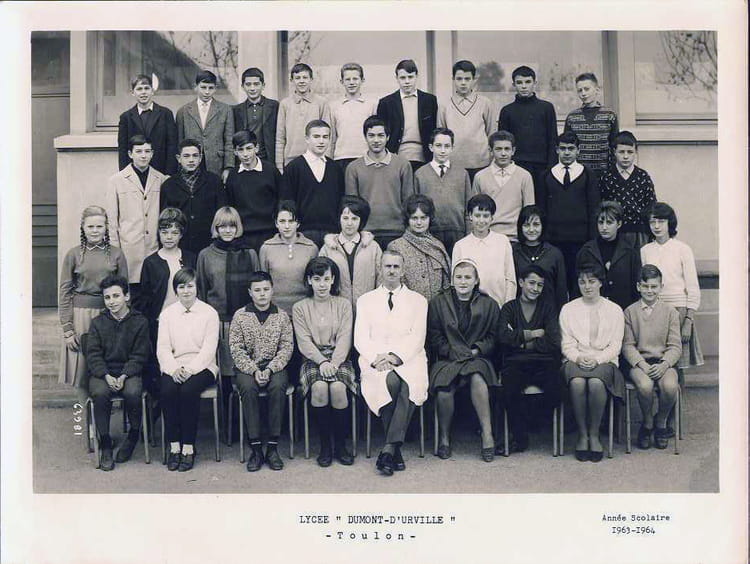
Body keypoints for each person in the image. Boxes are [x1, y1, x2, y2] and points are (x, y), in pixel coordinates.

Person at [354, 250, 429, 476]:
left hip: (409, 358)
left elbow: (418, 337)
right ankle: (394, 450)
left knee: (407, 383)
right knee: (390, 382)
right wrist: (377, 358)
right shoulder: (365, 300)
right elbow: (360, 338)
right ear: (380, 269)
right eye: (388, 266)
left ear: (403, 270)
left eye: (396, 267)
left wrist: (395, 357)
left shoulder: (418, 301)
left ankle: (389, 448)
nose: (392, 271)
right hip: (375, 360)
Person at [427, 259, 499, 461]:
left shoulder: (489, 304)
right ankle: (444, 437)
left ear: (476, 281)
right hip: (448, 358)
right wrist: (451, 351)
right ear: (452, 280)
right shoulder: (438, 302)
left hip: (476, 357)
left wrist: (477, 350)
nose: (463, 282)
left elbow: (493, 337)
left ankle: (487, 434)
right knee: (444, 388)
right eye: (458, 277)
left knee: (478, 378)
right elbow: (434, 336)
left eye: (468, 277)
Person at [196, 206, 259, 418]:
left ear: (238, 227)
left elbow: (257, 287)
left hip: (246, 321)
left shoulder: (250, 254)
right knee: (224, 374)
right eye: (222, 226)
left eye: (232, 225)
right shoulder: (205, 255)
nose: (227, 230)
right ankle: (226, 421)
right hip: (219, 322)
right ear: (216, 228)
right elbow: (201, 290)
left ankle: (246, 420)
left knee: (246, 370)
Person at [59, 206, 128, 397]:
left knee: (107, 365)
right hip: (81, 316)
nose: (95, 231)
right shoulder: (73, 255)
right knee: (82, 371)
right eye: (90, 226)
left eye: (99, 226)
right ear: (83, 228)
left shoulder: (116, 254)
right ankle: (83, 416)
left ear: (106, 228)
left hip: (109, 314)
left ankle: (103, 414)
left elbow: (124, 290)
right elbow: (64, 292)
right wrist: (68, 329)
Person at [293, 257, 356, 467]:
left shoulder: (343, 305)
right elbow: (304, 342)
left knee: (338, 388)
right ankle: (325, 446)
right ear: (309, 281)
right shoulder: (300, 307)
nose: (322, 284)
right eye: (317, 279)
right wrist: (322, 362)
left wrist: (334, 363)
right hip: (313, 359)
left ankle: (340, 445)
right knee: (319, 388)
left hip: (339, 358)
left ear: (333, 280)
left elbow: (345, 338)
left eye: (326, 279)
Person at [559, 262, 624, 462]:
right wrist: (578, 358)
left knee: (596, 382)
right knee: (578, 382)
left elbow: (615, 345)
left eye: (592, 281)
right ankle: (582, 434)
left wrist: (597, 359)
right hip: (575, 359)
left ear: (601, 283)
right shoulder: (568, 309)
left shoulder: (614, 310)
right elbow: (566, 344)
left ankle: (594, 435)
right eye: (582, 282)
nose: (587, 286)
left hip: (605, 361)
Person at [157, 267, 220, 472]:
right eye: (181, 287)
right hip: (174, 366)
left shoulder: (209, 313)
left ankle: (188, 447)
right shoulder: (167, 314)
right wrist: (174, 369)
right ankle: (174, 446)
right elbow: (163, 348)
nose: (186, 291)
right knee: (167, 391)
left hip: (203, 366)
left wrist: (190, 370)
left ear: (197, 288)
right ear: (175, 290)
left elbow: (209, 350)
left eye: (190, 286)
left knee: (187, 391)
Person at [229, 271, 294, 471]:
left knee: (278, 386)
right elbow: (236, 348)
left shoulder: (282, 316)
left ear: (272, 290)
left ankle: (272, 447)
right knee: (248, 389)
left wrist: (272, 368)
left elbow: (286, 347)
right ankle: (256, 447)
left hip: (275, 367)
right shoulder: (240, 316)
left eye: (266, 289)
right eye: (257, 290)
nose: (262, 294)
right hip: (247, 367)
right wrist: (253, 369)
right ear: (250, 292)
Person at [85, 274, 150, 471]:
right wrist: (106, 375)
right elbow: (93, 355)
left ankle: (133, 435)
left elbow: (140, 355)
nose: (111, 301)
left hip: (128, 372)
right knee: (99, 393)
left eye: (116, 296)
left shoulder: (139, 322)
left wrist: (124, 375)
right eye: (107, 297)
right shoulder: (98, 323)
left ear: (127, 296)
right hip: (103, 373)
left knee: (133, 391)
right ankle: (105, 442)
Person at [497, 265, 562, 453]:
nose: (535, 289)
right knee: (509, 389)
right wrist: (532, 334)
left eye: (540, 285)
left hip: (543, 363)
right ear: (521, 282)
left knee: (557, 388)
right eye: (531, 283)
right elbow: (502, 337)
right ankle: (519, 437)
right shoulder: (509, 308)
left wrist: (521, 343)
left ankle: (537, 426)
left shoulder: (547, 308)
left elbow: (553, 341)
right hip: (515, 363)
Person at [137, 208, 197, 397]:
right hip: (160, 323)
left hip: (187, 322)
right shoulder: (151, 262)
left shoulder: (190, 258)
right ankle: (159, 406)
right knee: (161, 368)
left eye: (174, 232)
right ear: (159, 233)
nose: (169, 237)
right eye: (164, 232)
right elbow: (145, 297)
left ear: (181, 234)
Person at [622, 264, 682, 450]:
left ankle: (661, 422)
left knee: (670, 386)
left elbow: (675, 346)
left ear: (661, 287)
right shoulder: (630, 312)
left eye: (654, 286)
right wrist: (642, 364)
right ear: (638, 286)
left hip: (663, 361)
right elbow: (628, 345)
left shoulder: (671, 312)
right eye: (645, 286)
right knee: (645, 385)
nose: (650, 291)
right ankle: (647, 423)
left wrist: (664, 364)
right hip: (640, 363)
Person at [641, 202, 704, 369]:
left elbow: (693, 287)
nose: (656, 226)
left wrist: (688, 321)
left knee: (677, 365)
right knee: (658, 363)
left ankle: (678, 388)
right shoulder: (645, 250)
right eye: (652, 222)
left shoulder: (683, 249)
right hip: (654, 310)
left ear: (670, 222)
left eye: (661, 221)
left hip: (678, 311)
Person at [538, 131, 600, 297]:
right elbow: (542, 210)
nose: (567, 152)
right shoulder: (547, 175)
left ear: (578, 150)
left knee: (577, 283)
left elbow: (594, 209)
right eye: (563, 148)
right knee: (555, 284)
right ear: (557, 150)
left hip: (580, 241)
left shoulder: (587, 175)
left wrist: (592, 241)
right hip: (553, 240)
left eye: (571, 148)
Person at [106, 134, 167, 299]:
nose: (143, 155)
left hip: (154, 248)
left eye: (147, 151)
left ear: (152, 153)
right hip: (129, 250)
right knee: (133, 296)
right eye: (139, 151)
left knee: (154, 295)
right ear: (130, 154)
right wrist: (115, 252)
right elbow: (112, 222)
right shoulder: (116, 181)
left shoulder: (161, 179)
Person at [345, 116, 414, 249]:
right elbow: (352, 206)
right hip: (365, 234)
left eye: (381, 135)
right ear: (365, 137)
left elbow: (408, 201)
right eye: (371, 135)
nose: (376, 140)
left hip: (397, 232)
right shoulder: (353, 168)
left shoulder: (402, 164)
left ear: (388, 137)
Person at [498, 65, 558, 202]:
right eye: (519, 82)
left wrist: (551, 168)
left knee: (541, 203)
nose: (524, 86)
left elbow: (552, 139)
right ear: (514, 84)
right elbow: (503, 143)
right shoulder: (507, 111)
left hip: (542, 167)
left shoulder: (546, 108)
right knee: (517, 202)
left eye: (527, 82)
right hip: (516, 166)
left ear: (534, 83)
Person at [281, 119, 345, 247]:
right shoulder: (293, 168)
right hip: (302, 234)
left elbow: (341, 201)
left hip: (332, 234)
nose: (321, 141)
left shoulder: (335, 168)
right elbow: (287, 203)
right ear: (307, 139)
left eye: (325, 137)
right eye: (316, 137)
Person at [159, 139, 227, 256]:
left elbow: (222, 214)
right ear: (178, 158)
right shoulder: (169, 185)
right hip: (180, 246)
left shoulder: (214, 181)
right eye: (186, 156)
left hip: (209, 245)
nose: (191, 160)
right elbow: (165, 219)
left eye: (195, 156)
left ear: (200, 158)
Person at [414, 127, 475, 255]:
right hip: (429, 232)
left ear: (452, 148)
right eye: (438, 146)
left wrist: (469, 234)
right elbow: (415, 208)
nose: (442, 150)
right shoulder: (420, 174)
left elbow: (469, 208)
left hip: (457, 232)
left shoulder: (462, 174)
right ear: (431, 147)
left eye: (447, 146)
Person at [319, 195, 382, 312]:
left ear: (361, 220)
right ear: (339, 218)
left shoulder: (373, 247)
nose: (349, 223)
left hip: (368, 309)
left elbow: (380, 279)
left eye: (354, 219)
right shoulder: (327, 249)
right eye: (345, 218)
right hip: (337, 310)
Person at [225, 130, 284, 254]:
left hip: (270, 233)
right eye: (241, 150)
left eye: (249, 148)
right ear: (235, 152)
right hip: (244, 235)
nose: (245, 154)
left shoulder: (270, 171)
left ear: (256, 148)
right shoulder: (233, 176)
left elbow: (282, 200)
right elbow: (231, 206)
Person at [452, 194, 516, 308]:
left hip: (499, 306)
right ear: (470, 216)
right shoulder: (460, 246)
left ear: (492, 217)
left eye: (486, 216)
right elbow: (455, 282)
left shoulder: (502, 242)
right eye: (477, 215)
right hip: (470, 309)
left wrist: (507, 309)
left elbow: (510, 279)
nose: (481, 220)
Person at [576, 201, 641, 310]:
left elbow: (635, 288)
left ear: (619, 224)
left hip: (622, 310)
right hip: (591, 310)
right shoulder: (586, 251)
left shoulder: (630, 253)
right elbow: (577, 286)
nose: (604, 227)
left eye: (609, 223)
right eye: (601, 222)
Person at [436, 60, 493, 182]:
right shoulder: (444, 105)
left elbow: (491, 132)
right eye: (459, 79)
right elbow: (441, 136)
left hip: (481, 163)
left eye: (467, 79)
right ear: (453, 79)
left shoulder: (485, 103)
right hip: (453, 163)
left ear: (474, 80)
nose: (463, 83)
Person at [259, 200, 319, 316]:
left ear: (298, 223)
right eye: (282, 221)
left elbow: (315, 282)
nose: (286, 226)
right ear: (276, 223)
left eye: (291, 221)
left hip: (304, 311)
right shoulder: (266, 248)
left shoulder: (311, 248)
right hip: (275, 312)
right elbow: (262, 284)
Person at [472, 130, 535, 241]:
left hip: (515, 238)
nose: (503, 153)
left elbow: (529, 212)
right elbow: (474, 212)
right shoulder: (480, 177)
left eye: (507, 149)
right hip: (488, 236)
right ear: (490, 151)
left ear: (513, 151)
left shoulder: (524, 176)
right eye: (498, 149)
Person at [387, 194, 451, 302]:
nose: (419, 223)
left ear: (430, 218)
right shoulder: (396, 247)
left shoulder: (437, 246)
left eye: (423, 218)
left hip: (437, 308)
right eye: (414, 218)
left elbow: (446, 284)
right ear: (407, 220)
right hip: (408, 307)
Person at [376, 59, 438, 172]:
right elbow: (381, 133)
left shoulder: (430, 100)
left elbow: (435, 130)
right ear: (397, 78)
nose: (407, 81)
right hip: (395, 156)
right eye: (403, 78)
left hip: (425, 156)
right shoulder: (386, 103)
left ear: (416, 77)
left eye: (410, 77)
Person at [598, 130, 656, 248]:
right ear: (614, 152)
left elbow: (651, 206)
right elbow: (601, 205)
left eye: (630, 152)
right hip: (614, 232)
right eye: (621, 152)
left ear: (636, 152)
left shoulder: (643, 176)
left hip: (638, 233)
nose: (625, 156)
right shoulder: (607, 177)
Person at [175, 70, 235, 181]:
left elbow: (229, 141)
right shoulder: (183, 111)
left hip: (216, 164)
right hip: (191, 164)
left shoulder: (225, 110)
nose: (207, 92)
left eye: (211, 88)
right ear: (195, 87)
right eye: (203, 87)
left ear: (215, 88)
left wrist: (228, 167)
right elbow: (180, 142)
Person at [117, 74, 178, 176]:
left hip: (161, 171)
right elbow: (123, 150)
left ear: (152, 91)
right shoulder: (126, 118)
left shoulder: (165, 114)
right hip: (135, 172)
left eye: (146, 88)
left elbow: (172, 146)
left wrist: (169, 174)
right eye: (139, 89)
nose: (143, 92)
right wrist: (125, 175)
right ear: (132, 92)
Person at [275, 63, 332, 172]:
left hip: (316, 158)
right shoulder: (285, 104)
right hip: (291, 159)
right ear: (292, 80)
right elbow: (280, 137)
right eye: (297, 78)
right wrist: (279, 164)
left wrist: (327, 159)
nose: (301, 81)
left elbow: (328, 134)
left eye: (305, 77)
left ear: (311, 79)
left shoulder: (321, 102)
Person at [563, 72, 619, 179]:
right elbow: (568, 146)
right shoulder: (572, 117)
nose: (583, 93)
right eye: (580, 90)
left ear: (597, 90)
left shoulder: (609, 115)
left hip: (604, 173)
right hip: (579, 173)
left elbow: (614, 145)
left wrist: (612, 171)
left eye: (587, 89)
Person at [512, 205, 568, 311]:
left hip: (548, 314)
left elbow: (561, 291)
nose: (531, 229)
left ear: (543, 226)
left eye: (536, 225)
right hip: (520, 314)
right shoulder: (513, 252)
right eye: (526, 225)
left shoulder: (554, 254)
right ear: (520, 227)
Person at [330, 63, 378, 171]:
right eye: (347, 79)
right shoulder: (333, 106)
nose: (351, 82)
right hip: (341, 158)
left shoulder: (372, 104)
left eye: (355, 79)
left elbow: (376, 133)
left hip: (366, 157)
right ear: (342, 82)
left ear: (362, 80)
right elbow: (332, 137)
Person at [232, 67, 279, 169]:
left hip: (269, 159)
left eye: (256, 84)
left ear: (263, 85)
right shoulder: (235, 110)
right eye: (248, 84)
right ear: (242, 87)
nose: (252, 88)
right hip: (245, 160)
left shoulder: (275, 106)